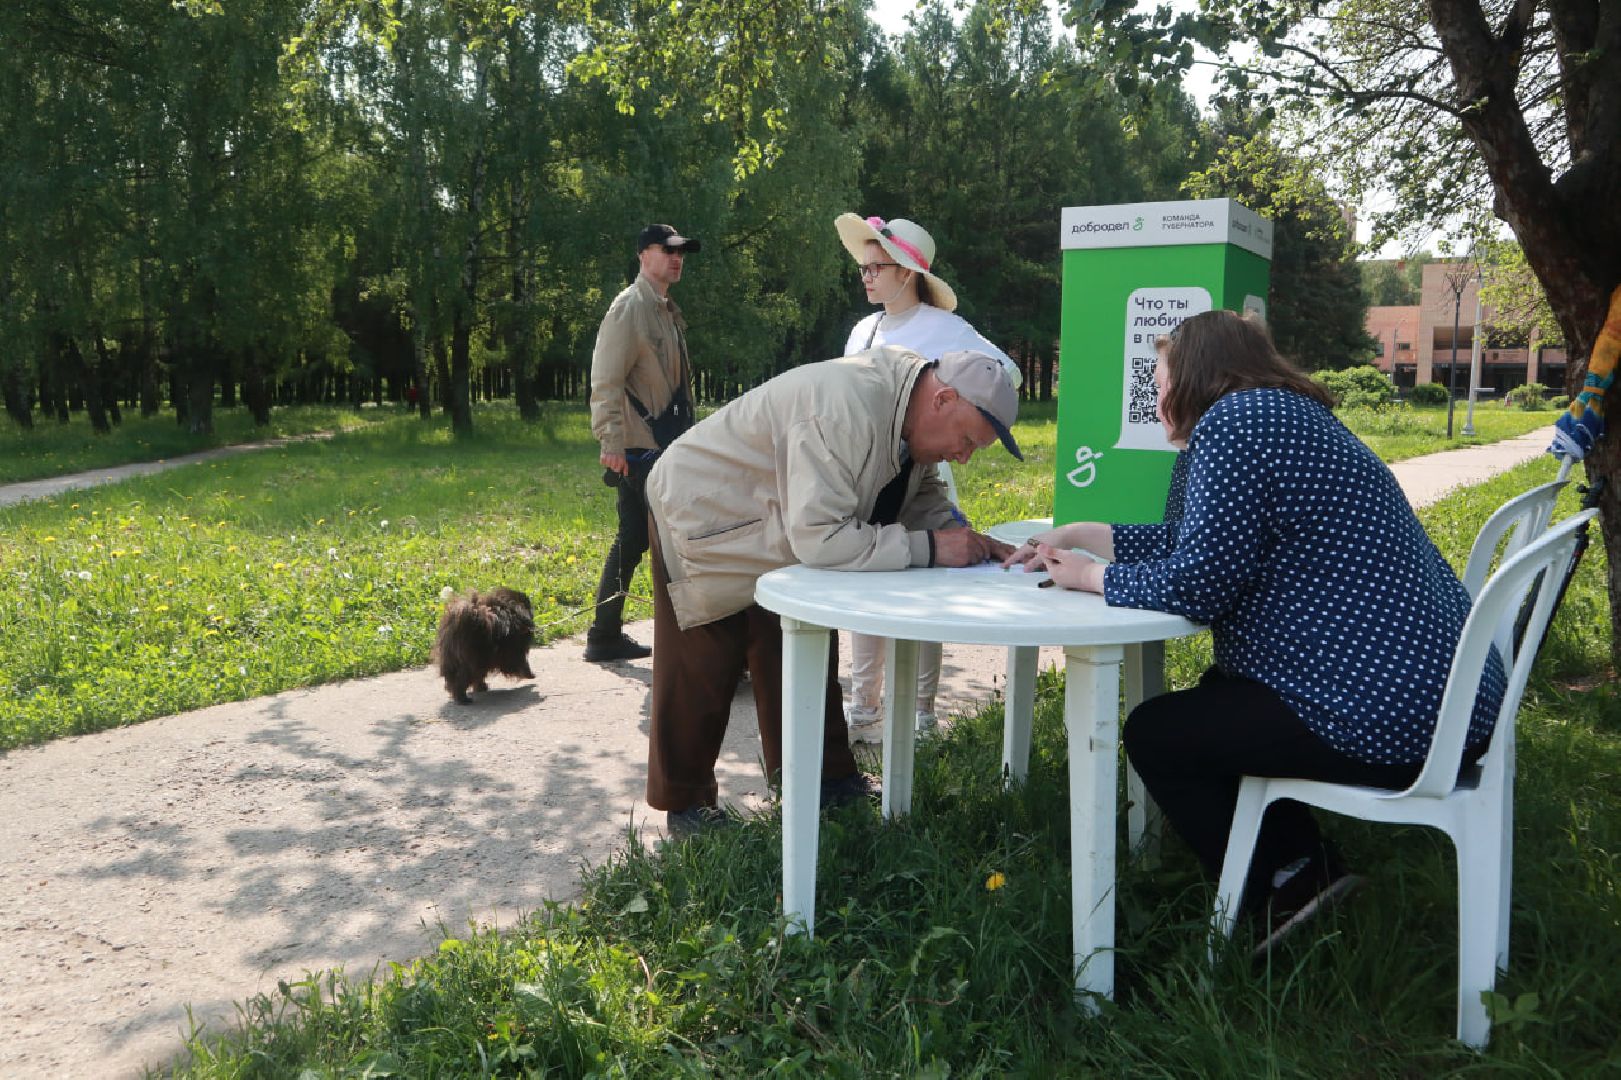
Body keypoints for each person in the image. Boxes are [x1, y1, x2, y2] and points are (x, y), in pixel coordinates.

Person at [1004, 309, 1507, 951]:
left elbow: (1197, 585)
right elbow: (1191, 545)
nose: (1155, 402)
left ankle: (1283, 887)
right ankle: (1303, 863)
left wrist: (1090, 579)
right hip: (1448, 698)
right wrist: (1077, 537)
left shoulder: (1235, 426)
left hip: (1396, 714)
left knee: (1158, 733)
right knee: (1220, 695)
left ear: (1197, 377)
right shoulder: (1278, 415)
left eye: (1159, 386)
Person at [645, 347, 1022, 835]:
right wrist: (930, 548)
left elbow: (920, 495)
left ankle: (825, 783)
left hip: (777, 525)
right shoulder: (845, 408)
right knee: (703, 660)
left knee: (801, 643)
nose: (964, 456)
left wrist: (967, 538)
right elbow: (821, 538)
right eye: (967, 440)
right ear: (943, 398)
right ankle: (687, 806)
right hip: (703, 509)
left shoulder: (909, 410)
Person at [833, 212, 1021, 741]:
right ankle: (864, 709)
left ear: (907, 272)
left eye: (877, 266)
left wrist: (958, 421)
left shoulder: (947, 330)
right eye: (864, 268)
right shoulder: (862, 330)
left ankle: (919, 713)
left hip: (921, 478)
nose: (866, 275)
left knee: (923, 586)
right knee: (866, 587)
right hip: (865, 479)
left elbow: (1005, 375)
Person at [585, 224, 700, 663]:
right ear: (643, 255)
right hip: (638, 449)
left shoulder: (664, 307)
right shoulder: (629, 308)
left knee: (633, 538)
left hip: (660, 446)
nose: (677, 258)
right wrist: (610, 441)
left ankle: (604, 635)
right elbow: (605, 380)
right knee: (676, 540)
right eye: (667, 250)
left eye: (681, 252)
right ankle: (686, 647)